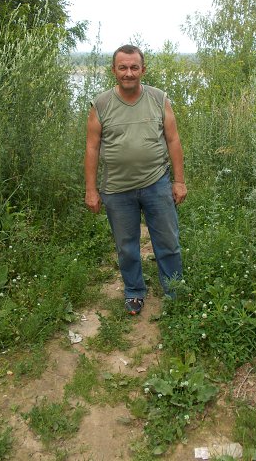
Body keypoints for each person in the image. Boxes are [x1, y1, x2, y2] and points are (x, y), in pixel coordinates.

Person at [84, 44, 187, 315]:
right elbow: (92, 148)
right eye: (123, 67)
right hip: (116, 189)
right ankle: (134, 292)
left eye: (134, 67)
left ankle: (174, 290)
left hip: (157, 182)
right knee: (126, 247)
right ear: (113, 70)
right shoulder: (101, 104)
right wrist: (91, 190)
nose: (128, 73)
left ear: (143, 69)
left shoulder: (158, 99)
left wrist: (179, 181)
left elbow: (173, 140)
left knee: (168, 242)